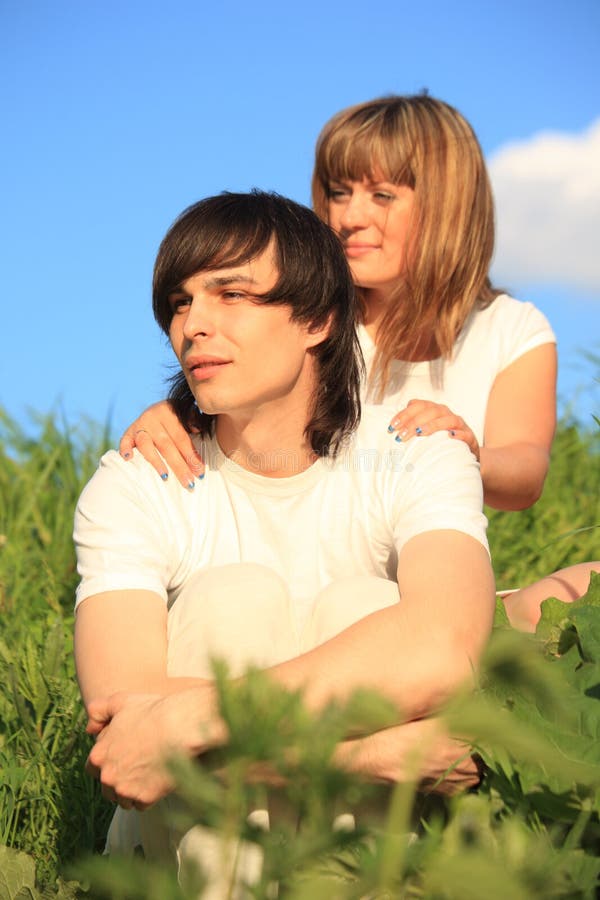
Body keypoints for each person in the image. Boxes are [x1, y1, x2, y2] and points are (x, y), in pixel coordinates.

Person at [74, 191, 494, 884]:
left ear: (319, 319)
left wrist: (193, 718)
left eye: (231, 294)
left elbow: (443, 649)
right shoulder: (136, 481)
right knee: (233, 598)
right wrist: (373, 752)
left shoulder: (416, 451)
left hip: (365, 852)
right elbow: (128, 718)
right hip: (182, 853)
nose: (193, 326)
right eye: (179, 303)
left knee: (362, 602)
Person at [118, 95, 598, 621]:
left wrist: (463, 452)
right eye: (338, 193)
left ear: (451, 205)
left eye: (382, 195)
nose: (350, 217)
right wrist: (177, 415)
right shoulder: (303, 323)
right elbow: (241, 408)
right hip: (308, 581)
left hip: (433, 584)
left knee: (585, 584)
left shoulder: (511, 328)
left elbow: (527, 470)